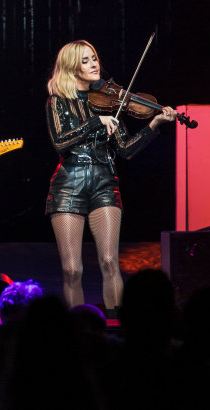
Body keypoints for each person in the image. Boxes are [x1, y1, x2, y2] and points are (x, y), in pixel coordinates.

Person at [45, 40, 175, 314]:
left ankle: (117, 327)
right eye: (85, 60)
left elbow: (126, 149)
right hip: (68, 183)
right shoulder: (58, 101)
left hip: (104, 181)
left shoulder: (107, 100)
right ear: (71, 67)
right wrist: (96, 122)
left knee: (108, 260)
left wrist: (153, 125)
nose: (94, 64)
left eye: (94, 58)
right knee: (72, 269)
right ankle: (76, 330)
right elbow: (59, 142)